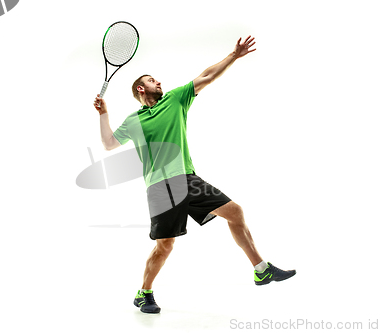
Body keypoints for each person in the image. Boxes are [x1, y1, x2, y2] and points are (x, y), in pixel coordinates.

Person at [93, 36, 296, 314]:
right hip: (159, 188)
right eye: (153, 80)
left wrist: (233, 56)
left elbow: (207, 76)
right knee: (165, 247)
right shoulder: (133, 121)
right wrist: (104, 114)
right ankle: (144, 293)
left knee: (235, 212)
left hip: (187, 178)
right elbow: (108, 144)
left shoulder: (175, 100)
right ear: (141, 89)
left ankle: (261, 270)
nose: (159, 83)